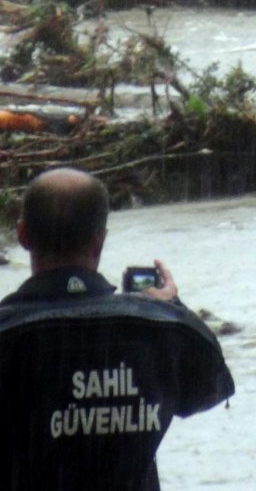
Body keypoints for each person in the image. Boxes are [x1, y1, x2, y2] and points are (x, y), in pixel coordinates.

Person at [0, 168, 234, 489]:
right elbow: (210, 389)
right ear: (101, 239)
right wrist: (171, 308)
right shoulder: (162, 330)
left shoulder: (8, 336)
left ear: (23, 236)